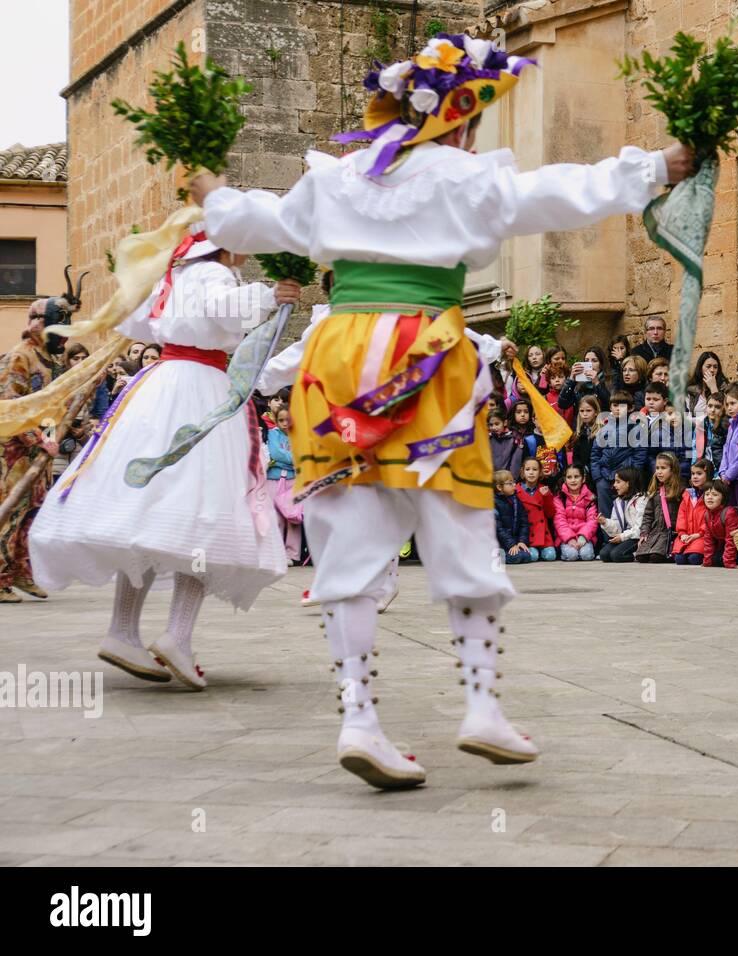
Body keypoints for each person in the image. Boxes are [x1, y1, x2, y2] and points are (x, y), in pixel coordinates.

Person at [197, 31, 694, 783]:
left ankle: (360, 718)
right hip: (426, 356)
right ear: (456, 119)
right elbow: (557, 193)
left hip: (338, 359)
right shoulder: (464, 179)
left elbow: (254, 221)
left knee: (353, 540)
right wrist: (658, 167)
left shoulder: (336, 179)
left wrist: (207, 189)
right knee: (462, 524)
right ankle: (481, 706)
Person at [29, 222, 298, 681]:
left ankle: (123, 630)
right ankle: (177, 634)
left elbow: (135, 319)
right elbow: (223, 306)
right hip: (200, 390)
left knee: (151, 515)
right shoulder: (212, 276)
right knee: (203, 510)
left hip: (159, 388)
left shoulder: (171, 276)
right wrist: (273, 295)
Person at [0, 299, 66, 602]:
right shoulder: (19, 357)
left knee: (33, 513)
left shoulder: (52, 361)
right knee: (11, 512)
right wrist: (38, 440)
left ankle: (22, 574)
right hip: (13, 452)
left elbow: (53, 407)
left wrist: (49, 439)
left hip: (40, 451)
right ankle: (1, 578)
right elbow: (9, 406)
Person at [267, 405, 305, 564]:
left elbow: (303, 454)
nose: (284, 423)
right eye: (280, 420)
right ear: (275, 420)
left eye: (287, 420)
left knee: (293, 517)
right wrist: (293, 460)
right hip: (274, 479)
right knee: (274, 518)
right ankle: (273, 552)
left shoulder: (300, 435)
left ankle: (292, 554)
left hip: (294, 480)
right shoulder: (272, 434)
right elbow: (276, 453)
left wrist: (288, 460)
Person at [634, 452, 683, 562]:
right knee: (640, 557)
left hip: (669, 533)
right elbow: (648, 515)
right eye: (657, 468)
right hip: (655, 532)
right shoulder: (655, 492)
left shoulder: (679, 491)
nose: (659, 472)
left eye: (663, 468)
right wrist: (644, 533)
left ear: (673, 470)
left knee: (656, 557)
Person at [597, 466, 645, 562]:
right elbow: (617, 529)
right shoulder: (618, 501)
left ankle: (638, 555)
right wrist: (605, 522)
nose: (614, 485)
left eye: (618, 482)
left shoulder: (641, 499)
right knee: (604, 555)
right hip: (625, 536)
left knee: (617, 555)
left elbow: (639, 528)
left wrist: (622, 537)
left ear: (628, 483)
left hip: (637, 537)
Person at [516, 457, 557, 561]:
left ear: (540, 473)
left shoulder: (544, 489)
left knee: (551, 556)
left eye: (535, 470)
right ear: (522, 472)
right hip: (526, 535)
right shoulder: (516, 490)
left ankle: (540, 550)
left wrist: (546, 497)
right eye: (528, 469)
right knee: (533, 556)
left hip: (544, 536)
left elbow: (550, 514)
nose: (531, 473)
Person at [554, 463, 597, 561]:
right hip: (565, 537)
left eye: (576, 477)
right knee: (571, 555)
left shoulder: (590, 497)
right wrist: (569, 538)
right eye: (569, 477)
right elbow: (559, 520)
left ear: (583, 479)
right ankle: (562, 550)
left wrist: (583, 537)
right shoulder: (560, 497)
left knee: (586, 555)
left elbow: (592, 520)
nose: (573, 480)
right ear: (565, 479)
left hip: (584, 536)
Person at [493, 470, 533, 565]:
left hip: (514, 542)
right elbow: (498, 528)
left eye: (513, 482)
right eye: (510, 483)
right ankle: (495, 555)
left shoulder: (516, 500)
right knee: (517, 557)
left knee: (527, 556)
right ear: (499, 487)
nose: (514, 485)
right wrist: (511, 544)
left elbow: (524, 523)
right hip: (500, 543)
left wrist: (521, 541)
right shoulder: (493, 503)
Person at [686, 350, 727, 417]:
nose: (712, 370)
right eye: (708, 366)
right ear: (700, 368)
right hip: (695, 425)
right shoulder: (691, 390)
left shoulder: (724, 387)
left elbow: (724, 413)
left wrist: (713, 388)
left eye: (715, 367)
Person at [489, 407, 524, 478]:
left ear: (505, 423)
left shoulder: (514, 439)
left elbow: (515, 462)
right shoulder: (488, 439)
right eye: (491, 425)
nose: (494, 427)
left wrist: (512, 479)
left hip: (507, 480)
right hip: (490, 479)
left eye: (497, 424)